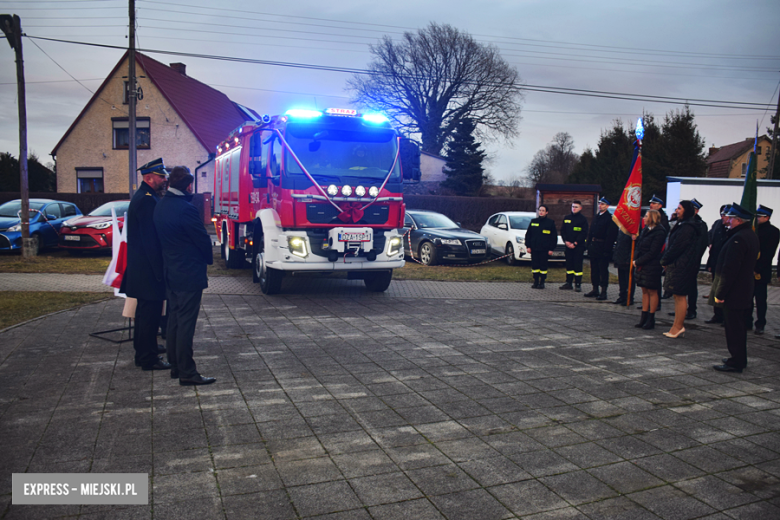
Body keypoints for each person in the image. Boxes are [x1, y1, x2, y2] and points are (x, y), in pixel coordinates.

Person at [153, 166, 216, 386]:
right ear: (189, 185)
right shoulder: (185, 209)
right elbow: (202, 239)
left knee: (174, 321)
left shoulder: (161, 206)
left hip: (170, 271)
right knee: (186, 324)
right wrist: (207, 260)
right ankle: (187, 372)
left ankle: (175, 366)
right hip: (188, 273)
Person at [120, 158, 171, 372]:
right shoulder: (147, 200)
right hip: (148, 270)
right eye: (161, 177)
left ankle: (144, 351)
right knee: (149, 315)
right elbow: (151, 240)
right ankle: (148, 358)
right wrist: (159, 270)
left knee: (144, 314)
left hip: (142, 268)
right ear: (149, 178)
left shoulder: (145, 197)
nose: (164, 180)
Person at [711, 203, 760, 373]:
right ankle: (739, 358)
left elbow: (730, 269)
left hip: (735, 291)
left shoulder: (738, 238)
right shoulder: (749, 234)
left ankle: (736, 361)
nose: (728, 221)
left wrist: (721, 293)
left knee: (734, 328)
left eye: (731, 218)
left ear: (739, 220)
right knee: (738, 327)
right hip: (743, 288)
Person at [660, 200, 701, 338]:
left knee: (680, 295)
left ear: (687, 211)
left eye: (680, 208)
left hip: (683, 265)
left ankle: (678, 326)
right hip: (679, 264)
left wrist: (665, 260)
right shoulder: (682, 224)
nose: (677, 211)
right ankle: (676, 326)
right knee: (677, 295)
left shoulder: (688, 227)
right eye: (677, 208)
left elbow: (677, 246)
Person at [633, 210, 666, 329]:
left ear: (652, 217)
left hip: (652, 265)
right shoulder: (646, 230)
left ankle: (651, 318)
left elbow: (653, 251)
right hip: (643, 264)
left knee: (652, 291)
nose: (644, 218)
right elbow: (639, 245)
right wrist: (636, 258)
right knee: (644, 291)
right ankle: (643, 316)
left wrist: (639, 261)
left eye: (646, 216)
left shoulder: (659, 232)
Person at [750, 205, 779, 335]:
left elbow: (768, 253)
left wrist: (757, 269)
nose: (756, 218)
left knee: (760, 299)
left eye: (759, 216)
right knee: (747, 298)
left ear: (767, 217)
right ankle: (747, 321)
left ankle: (760, 323)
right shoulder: (752, 229)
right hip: (748, 270)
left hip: (761, 271)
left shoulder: (773, 231)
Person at [680, 198, 709, 319]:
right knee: (680, 286)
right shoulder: (683, 222)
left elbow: (701, 244)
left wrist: (695, 260)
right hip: (682, 261)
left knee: (691, 286)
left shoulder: (700, 225)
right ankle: (681, 308)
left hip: (692, 261)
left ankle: (692, 309)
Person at [585, 197, 618, 301]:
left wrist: (607, 250)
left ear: (607, 206)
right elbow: (591, 232)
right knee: (594, 270)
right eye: (599, 204)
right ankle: (595, 289)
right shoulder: (596, 217)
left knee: (603, 270)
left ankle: (604, 291)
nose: (600, 206)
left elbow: (611, 236)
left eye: (603, 204)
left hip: (603, 247)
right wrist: (588, 245)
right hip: (594, 247)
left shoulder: (609, 218)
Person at [705, 205, 730, 324]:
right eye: (721, 214)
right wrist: (709, 243)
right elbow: (710, 236)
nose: (723, 217)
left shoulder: (732, 229)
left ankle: (726, 316)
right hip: (716, 262)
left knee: (725, 291)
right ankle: (717, 315)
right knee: (716, 290)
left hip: (727, 264)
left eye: (725, 215)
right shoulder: (717, 224)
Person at [559, 200, 589, 292]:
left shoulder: (583, 219)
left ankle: (578, 284)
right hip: (568, 246)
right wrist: (566, 242)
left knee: (578, 266)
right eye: (573, 207)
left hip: (578, 247)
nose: (574, 208)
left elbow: (584, 233)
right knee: (569, 265)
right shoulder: (567, 218)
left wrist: (575, 243)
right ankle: (569, 283)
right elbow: (563, 231)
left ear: (580, 208)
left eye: (576, 207)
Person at [526, 205, 557, 289]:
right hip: (534, 248)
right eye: (540, 210)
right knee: (535, 266)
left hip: (544, 249)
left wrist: (551, 248)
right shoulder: (533, 221)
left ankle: (542, 282)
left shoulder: (550, 223)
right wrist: (528, 246)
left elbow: (553, 237)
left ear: (546, 212)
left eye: (543, 210)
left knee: (543, 266)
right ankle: (535, 281)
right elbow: (528, 235)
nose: (541, 212)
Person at [613, 229, 636, 305]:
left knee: (629, 280)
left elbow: (634, 246)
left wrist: (630, 259)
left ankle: (629, 298)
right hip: (620, 258)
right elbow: (618, 244)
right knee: (622, 279)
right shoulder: (622, 230)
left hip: (627, 259)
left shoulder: (633, 230)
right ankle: (622, 296)